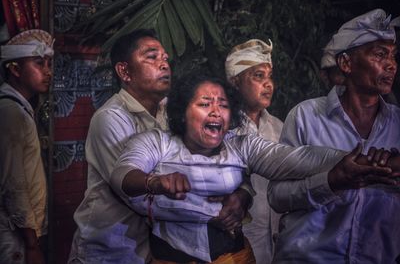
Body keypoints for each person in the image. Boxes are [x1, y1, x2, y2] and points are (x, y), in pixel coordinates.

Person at [109, 72, 396, 264]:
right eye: (204, 103)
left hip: (234, 257)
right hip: (171, 257)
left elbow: (294, 158)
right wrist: (154, 183)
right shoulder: (157, 143)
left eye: (222, 105)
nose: (215, 111)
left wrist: (353, 159)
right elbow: (121, 175)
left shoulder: (241, 144)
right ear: (182, 112)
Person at [68, 29, 251, 264]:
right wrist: (216, 213)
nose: (164, 65)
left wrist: (242, 192)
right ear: (124, 71)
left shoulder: (173, 112)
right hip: (111, 249)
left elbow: (221, 157)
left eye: (165, 58)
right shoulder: (111, 119)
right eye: (152, 57)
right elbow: (138, 196)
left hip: (155, 251)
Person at [270, 9, 400, 263]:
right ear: (346, 64)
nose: (391, 64)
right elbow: (277, 196)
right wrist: (332, 181)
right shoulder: (306, 116)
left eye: (394, 56)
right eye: (380, 54)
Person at [225, 39, 282, 263]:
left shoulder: (280, 127)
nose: (268, 84)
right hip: (236, 250)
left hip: (278, 246)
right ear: (235, 82)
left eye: (269, 77)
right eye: (258, 76)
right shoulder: (221, 129)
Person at [0, 29, 53, 264]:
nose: (48, 71)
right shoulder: (11, 112)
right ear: (15, 69)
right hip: (14, 235)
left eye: (49, 64)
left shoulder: (20, 109)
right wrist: (31, 244)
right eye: (39, 64)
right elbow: (14, 184)